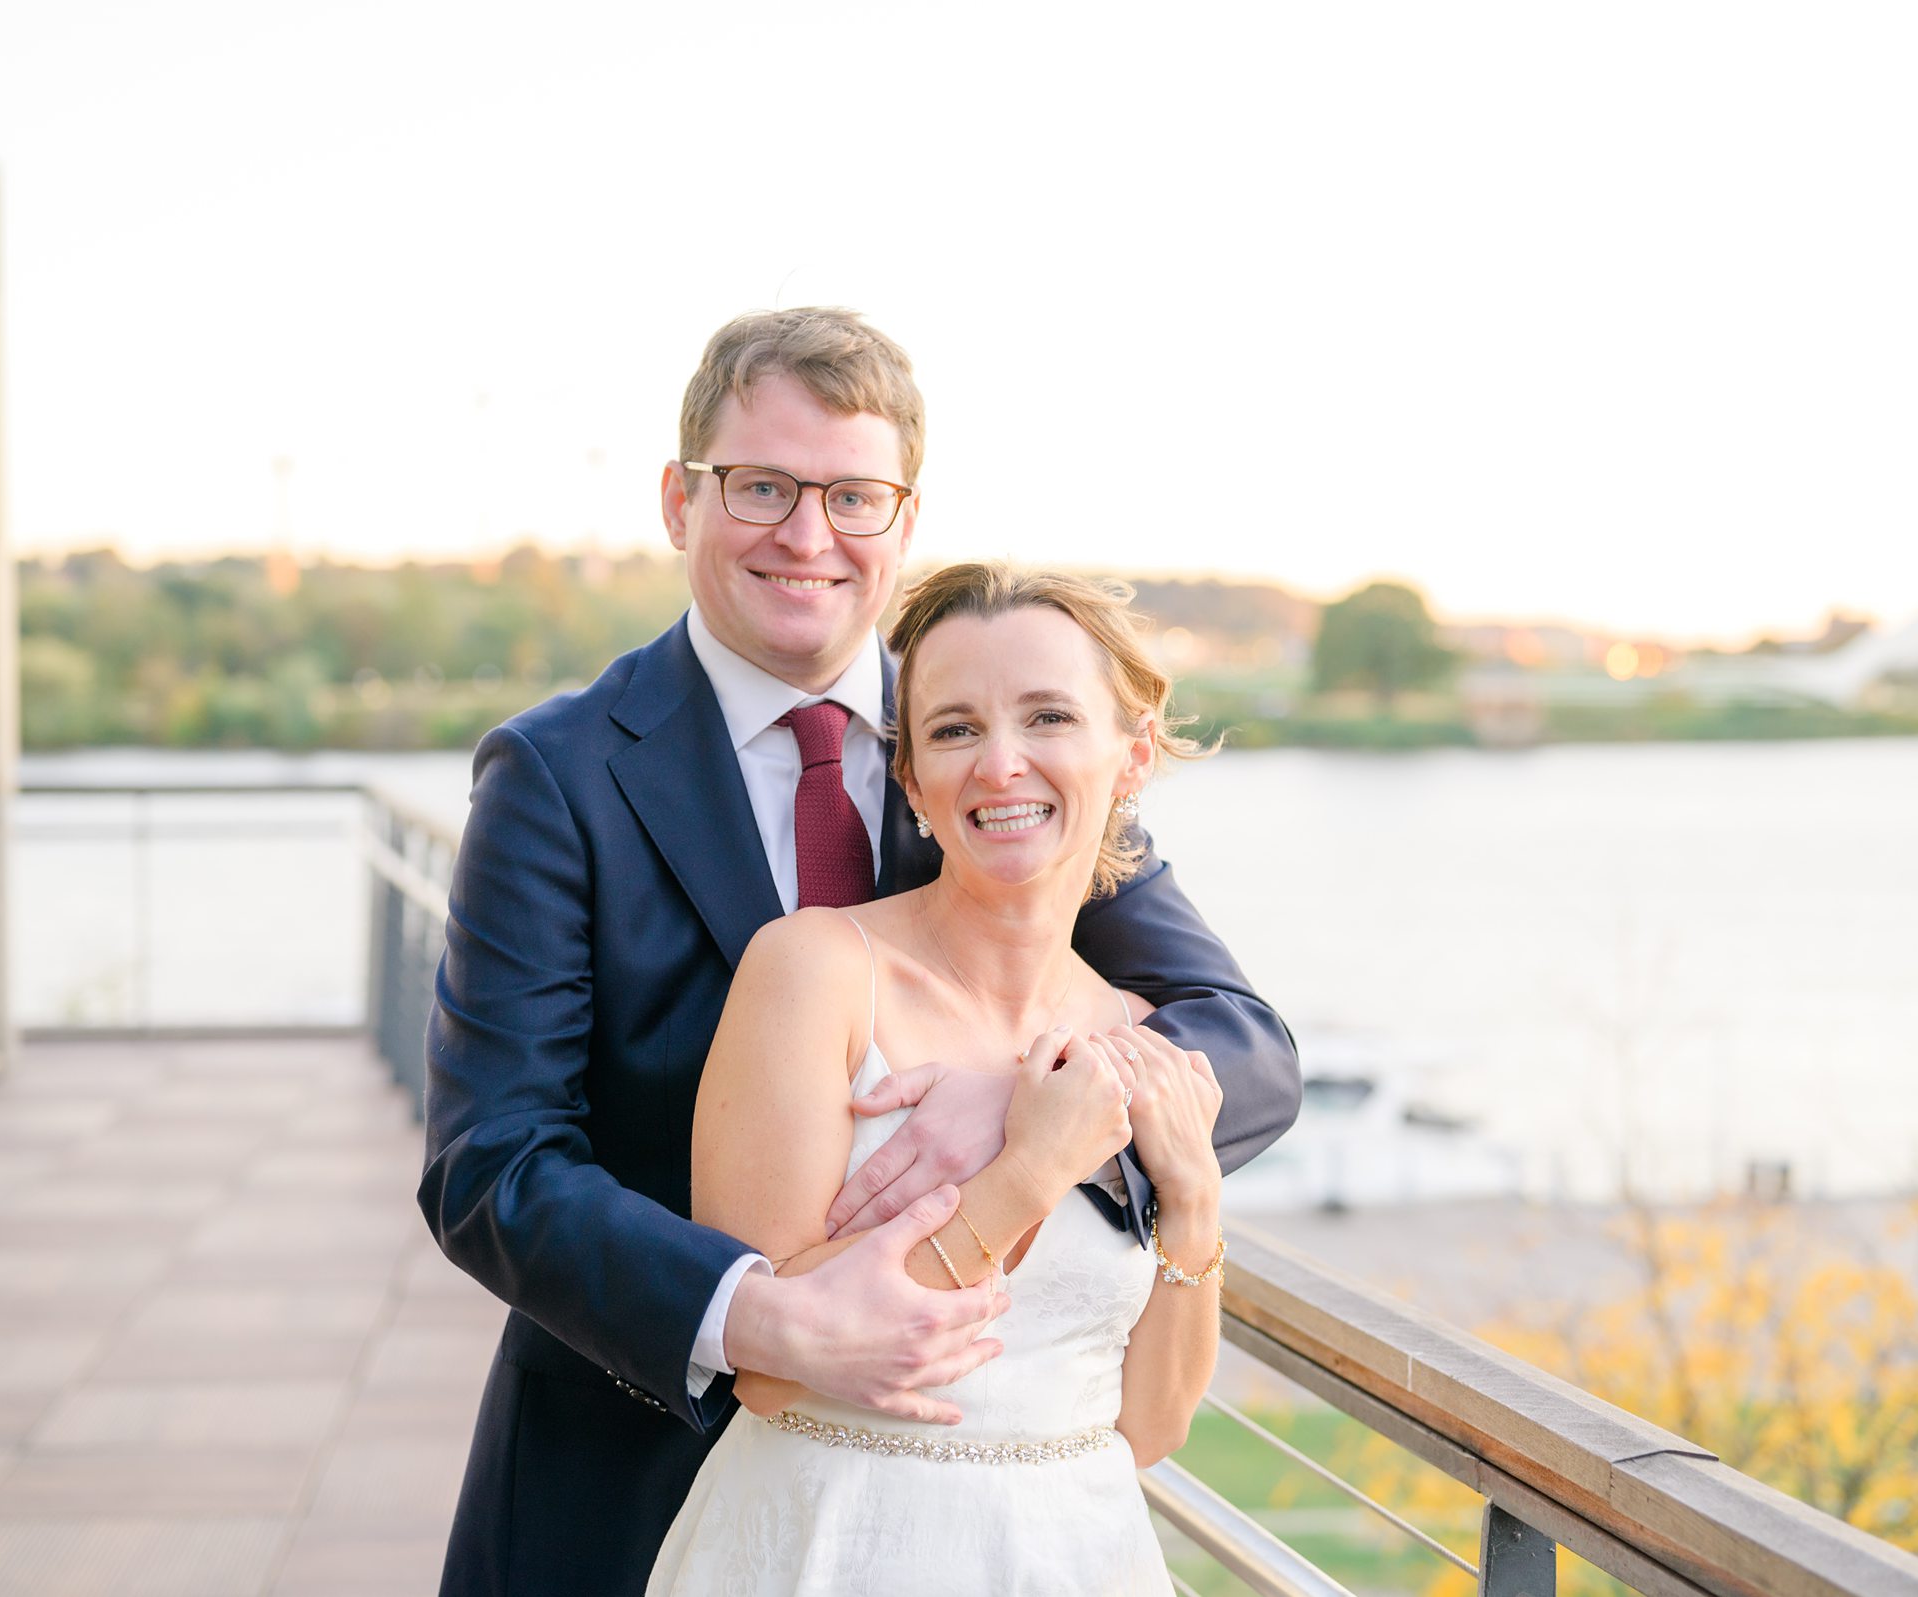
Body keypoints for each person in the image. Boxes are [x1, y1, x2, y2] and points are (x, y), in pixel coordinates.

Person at [419, 307, 1298, 1597]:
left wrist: (1026, 1098)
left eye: (853, 495)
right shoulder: (556, 774)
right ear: (680, 500)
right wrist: (759, 1315)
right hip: (628, 1457)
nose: (808, 535)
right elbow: (490, 1159)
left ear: (904, 516)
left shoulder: (994, 745)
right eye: (762, 486)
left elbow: (1244, 1043)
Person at [648, 562, 1224, 1595]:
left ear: (1130, 754)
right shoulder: (816, 971)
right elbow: (772, 1373)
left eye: (1048, 716)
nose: (1001, 765)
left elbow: (1150, 1426)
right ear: (911, 780)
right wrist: (1028, 1170)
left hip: (1077, 1555)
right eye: (955, 730)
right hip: (829, 1546)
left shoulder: (1141, 1037)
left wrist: (1194, 1208)